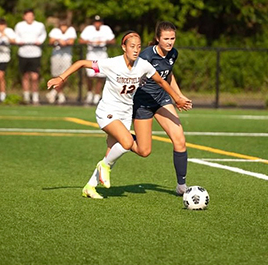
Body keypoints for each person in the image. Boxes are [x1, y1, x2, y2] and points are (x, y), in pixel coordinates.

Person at [47, 31, 192, 199]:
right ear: (124, 47)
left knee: (141, 151)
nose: (136, 50)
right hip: (107, 112)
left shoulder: (143, 65)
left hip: (125, 114)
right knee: (126, 142)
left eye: (138, 46)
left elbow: (161, 81)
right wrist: (61, 78)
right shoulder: (112, 64)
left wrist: (177, 98)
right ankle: (104, 165)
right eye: (132, 46)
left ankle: (90, 186)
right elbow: (80, 63)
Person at [88, 21, 192, 196]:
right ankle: (94, 179)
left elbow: (168, 74)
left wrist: (178, 96)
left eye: (172, 38)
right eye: (166, 38)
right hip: (142, 103)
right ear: (157, 39)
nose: (169, 42)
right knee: (143, 150)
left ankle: (181, 185)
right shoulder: (145, 56)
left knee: (180, 139)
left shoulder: (173, 53)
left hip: (161, 100)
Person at [79, 15, 115, 105]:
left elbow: (113, 40)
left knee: (100, 75)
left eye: (99, 22)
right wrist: (91, 42)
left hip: (101, 54)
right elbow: (80, 40)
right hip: (92, 54)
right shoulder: (89, 29)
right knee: (90, 75)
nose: (97, 24)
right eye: (95, 22)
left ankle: (97, 94)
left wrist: (104, 42)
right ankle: (90, 92)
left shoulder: (106, 29)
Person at [15, 9, 47, 105]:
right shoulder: (19, 25)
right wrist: (19, 41)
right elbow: (16, 36)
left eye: (31, 16)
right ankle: (26, 96)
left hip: (35, 53)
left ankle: (35, 96)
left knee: (35, 76)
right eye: (27, 16)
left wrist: (39, 41)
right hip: (23, 53)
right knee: (25, 75)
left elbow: (43, 35)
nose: (29, 18)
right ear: (24, 17)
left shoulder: (39, 25)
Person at [46, 20, 77, 104]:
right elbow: (51, 41)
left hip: (66, 57)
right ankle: (60, 93)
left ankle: (54, 92)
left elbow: (71, 41)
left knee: (65, 76)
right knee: (56, 75)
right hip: (56, 56)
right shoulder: (55, 31)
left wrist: (64, 42)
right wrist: (59, 40)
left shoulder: (71, 30)